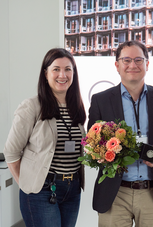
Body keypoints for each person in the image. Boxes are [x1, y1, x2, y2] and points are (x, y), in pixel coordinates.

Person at [88, 40, 153, 227]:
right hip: (115, 193)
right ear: (117, 65)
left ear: (147, 64)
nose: (132, 65)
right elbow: (92, 143)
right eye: (126, 60)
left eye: (139, 60)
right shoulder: (101, 100)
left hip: (152, 192)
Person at [3, 48, 86, 227]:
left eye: (68, 69)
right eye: (56, 69)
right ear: (46, 73)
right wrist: (28, 185)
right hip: (41, 190)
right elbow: (11, 153)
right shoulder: (31, 106)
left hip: (72, 189)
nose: (62, 75)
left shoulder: (77, 108)